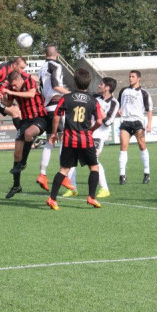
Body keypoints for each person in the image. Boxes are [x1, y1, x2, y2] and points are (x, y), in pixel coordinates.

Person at [45, 68, 104, 210]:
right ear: (88, 83)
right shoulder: (93, 100)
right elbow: (99, 121)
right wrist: (91, 130)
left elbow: (57, 116)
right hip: (85, 140)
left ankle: (52, 198)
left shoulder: (66, 98)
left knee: (64, 169)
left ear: (75, 83)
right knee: (94, 167)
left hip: (69, 139)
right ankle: (91, 197)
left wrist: (54, 133)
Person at [65, 77, 119, 199]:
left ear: (107, 88)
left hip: (98, 135)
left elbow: (108, 122)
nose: (99, 85)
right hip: (84, 132)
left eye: (101, 84)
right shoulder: (94, 97)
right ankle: (72, 188)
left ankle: (104, 189)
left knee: (93, 160)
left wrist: (98, 108)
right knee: (72, 157)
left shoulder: (114, 103)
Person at [35, 44, 75, 193]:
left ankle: (42, 174)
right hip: (56, 106)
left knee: (50, 141)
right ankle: (64, 176)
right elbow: (57, 86)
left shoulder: (42, 67)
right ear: (57, 54)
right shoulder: (56, 65)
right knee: (64, 141)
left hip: (47, 106)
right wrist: (72, 94)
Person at [5, 70, 48, 199]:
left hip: (40, 118)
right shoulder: (12, 88)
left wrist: (12, 92)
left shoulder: (29, 81)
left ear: (20, 80)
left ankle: (23, 163)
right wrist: (1, 100)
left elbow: (31, 94)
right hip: (25, 121)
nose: (13, 87)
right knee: (17, 153)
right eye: (11, 86)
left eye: (14, 85)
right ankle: (16, 185)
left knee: (29, 133)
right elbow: (9, 103)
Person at [117, 70, 153, 185]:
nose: (130, 78)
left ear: (138, 79)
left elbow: (149, 110)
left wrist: (149, 123)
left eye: (133, 77)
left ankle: (147, 173)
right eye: (129, 76)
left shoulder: (144, 93)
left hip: (137, 122)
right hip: (125, 121)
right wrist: (119, 110)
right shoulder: (123, 91)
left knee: (142, 146)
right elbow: (118, 104)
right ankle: (122, 175)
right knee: (123, 147)